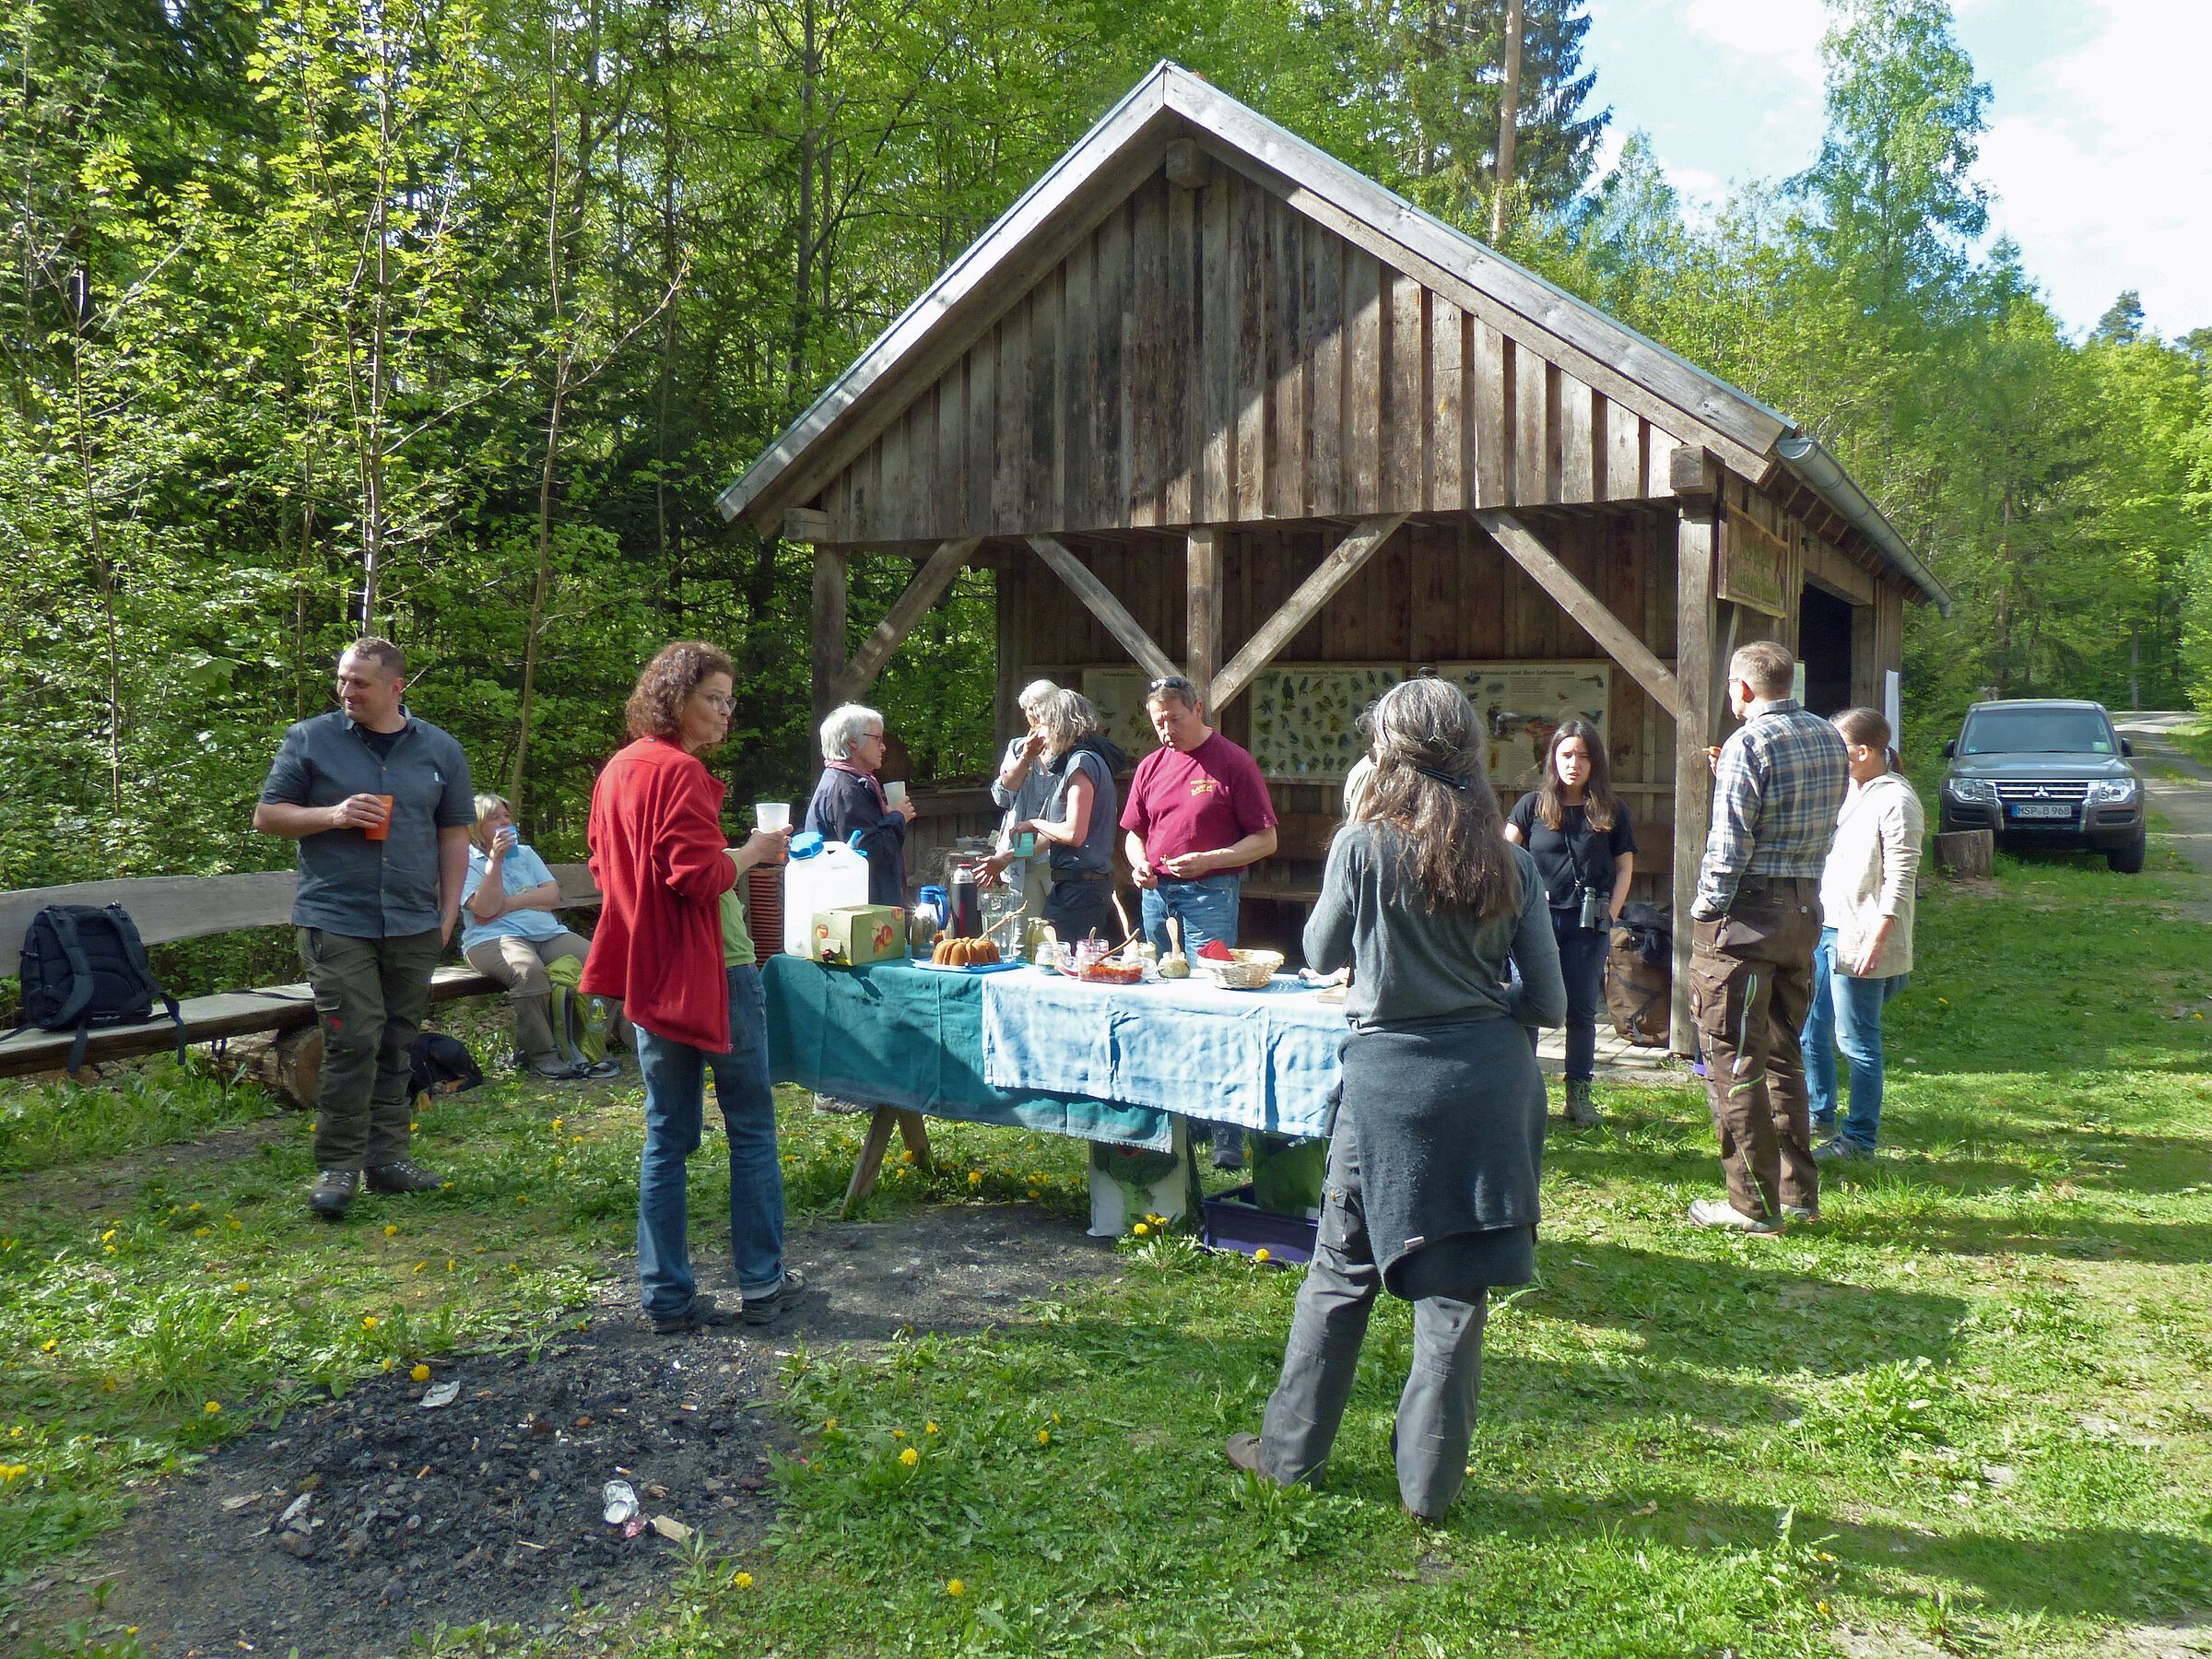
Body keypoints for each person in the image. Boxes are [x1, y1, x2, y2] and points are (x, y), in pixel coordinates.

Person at [1225, 677, 1565, 1521]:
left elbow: (1319, 946)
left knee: (1342, 1272)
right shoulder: (1510, 858)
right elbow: (1551, 1004)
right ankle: (1429, 1489)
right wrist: (1485, 1020)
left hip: (1388, 1089)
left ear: (1391, 753)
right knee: (1455, 1291)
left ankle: (1288, 1455)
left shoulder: (1364, 844)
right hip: (1491, 1086)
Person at [581, 641, 802, 1334]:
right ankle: (762, 1284)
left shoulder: (617, 770)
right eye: (714, 698)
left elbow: (602, 865)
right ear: (674, 697)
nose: (726, 712)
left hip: (651, 970)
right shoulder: (678, 772)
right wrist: (753, 854)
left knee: (666, 1133)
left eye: (731, 701)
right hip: (715, 968)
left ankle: (666, 1297)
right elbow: (696, 877)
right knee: (751, 1127)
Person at [253, 637, 475, 1219]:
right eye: (342, 680)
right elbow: (268, 816)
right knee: (353, 1038)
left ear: (396, 687)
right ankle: (339, 1166)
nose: (346, 691)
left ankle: (389, 1159)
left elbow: (455, 835)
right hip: (336, 916)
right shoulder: (310, 739)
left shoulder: (441, 751)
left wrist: (449, 913)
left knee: (398, 1037)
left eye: (360, 683)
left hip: (412, 919)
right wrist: (334, 814)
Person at [1686, 641, 1849, 1235]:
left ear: (1744, 689)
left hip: (1747, 918)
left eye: (1731, 688)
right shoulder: (1829, 737)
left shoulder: (1746, 743)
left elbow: (1729, 850)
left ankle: (1750, 1204)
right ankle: (1798, 1194)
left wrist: (1703, 913)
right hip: (1805, 908)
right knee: (1784, 1054)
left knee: (1732, 1056)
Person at [1120, 674, 1278, 1167]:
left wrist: (1213, 859)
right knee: (1164, 1000)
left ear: (1198, 709)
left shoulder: (1233, 761)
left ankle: (1227, 1130)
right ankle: (1174, 1122)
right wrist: (1138, 861)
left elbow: (1267, 840)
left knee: (1213, 1002)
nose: (1166, 730)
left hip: (1211, 891)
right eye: (1158, 721)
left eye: (1174, 718)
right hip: (1157, 895)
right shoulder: (1150, 765)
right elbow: (1132, 832)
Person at [1802, 708, 1923, 1159]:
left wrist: (1879, 937)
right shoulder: (1851, 791)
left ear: (1864, 751)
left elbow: (1901, 877)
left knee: (1856, 1041)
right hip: (1826, 929)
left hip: (1861, 937)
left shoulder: (1896, 800)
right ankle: (1818, 1114)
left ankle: (1859, 1140)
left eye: (1839, 747)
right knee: (1812, 1030)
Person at [1505, 719, 1635, 1127]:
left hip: (1586, 926)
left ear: (1594, 762)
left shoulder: (1612, 810)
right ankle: (1522, 1095)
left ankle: (1578, 1096)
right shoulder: (1531, 806)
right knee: (1527, 1005)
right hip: (1533, 925)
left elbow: (1624, 867)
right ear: (1553, 759)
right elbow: (1503, 858)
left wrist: (1610, 915)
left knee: (1580, 1010)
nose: (1573, 763)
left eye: (1582, 755)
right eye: (1565, 755)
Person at [458, 794, 618, 1081]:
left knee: (603, 965)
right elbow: (482, 908)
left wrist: (505, 904)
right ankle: (542, 1055)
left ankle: (587, 1047)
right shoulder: (465, 860)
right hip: (491, 938)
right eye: (496, 817)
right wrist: (494, 859)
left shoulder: (527, 854)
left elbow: (552, 895)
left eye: (507, 816)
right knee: (528, 972)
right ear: (477, 826)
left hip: (546, 932)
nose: (506, 822)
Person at [1009, 689, 1126, 944]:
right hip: (1081, 888)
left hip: (1080, 891)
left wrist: (1034, 823)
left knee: (1057, 960)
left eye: (1045, 724)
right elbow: (1057, 838)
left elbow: (1074, 834)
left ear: (1060, 724)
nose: (1041, 734)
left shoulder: (1081, 763)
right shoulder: (1083, 760)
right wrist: (1007, 856)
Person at [804, 703, 916, 908]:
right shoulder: (845, 788)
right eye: (877, 739)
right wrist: (897, 818)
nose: (883, 747)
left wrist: (888, 817)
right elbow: (868, 853)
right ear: (852, 741)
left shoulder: (846, 781)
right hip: (853, 916)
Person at [982, 679, 1061, 916]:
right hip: (1020, 860)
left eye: (1038, 708)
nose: (1033, 716)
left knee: (1057, 934)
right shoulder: (1018, 747)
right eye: (1028, 710)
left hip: (1055, 860)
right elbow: (1003, 797)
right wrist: (1027, 756)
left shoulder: (1070, 753)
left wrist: (1009, 855)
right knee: (1022, 933)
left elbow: (1061, 823)